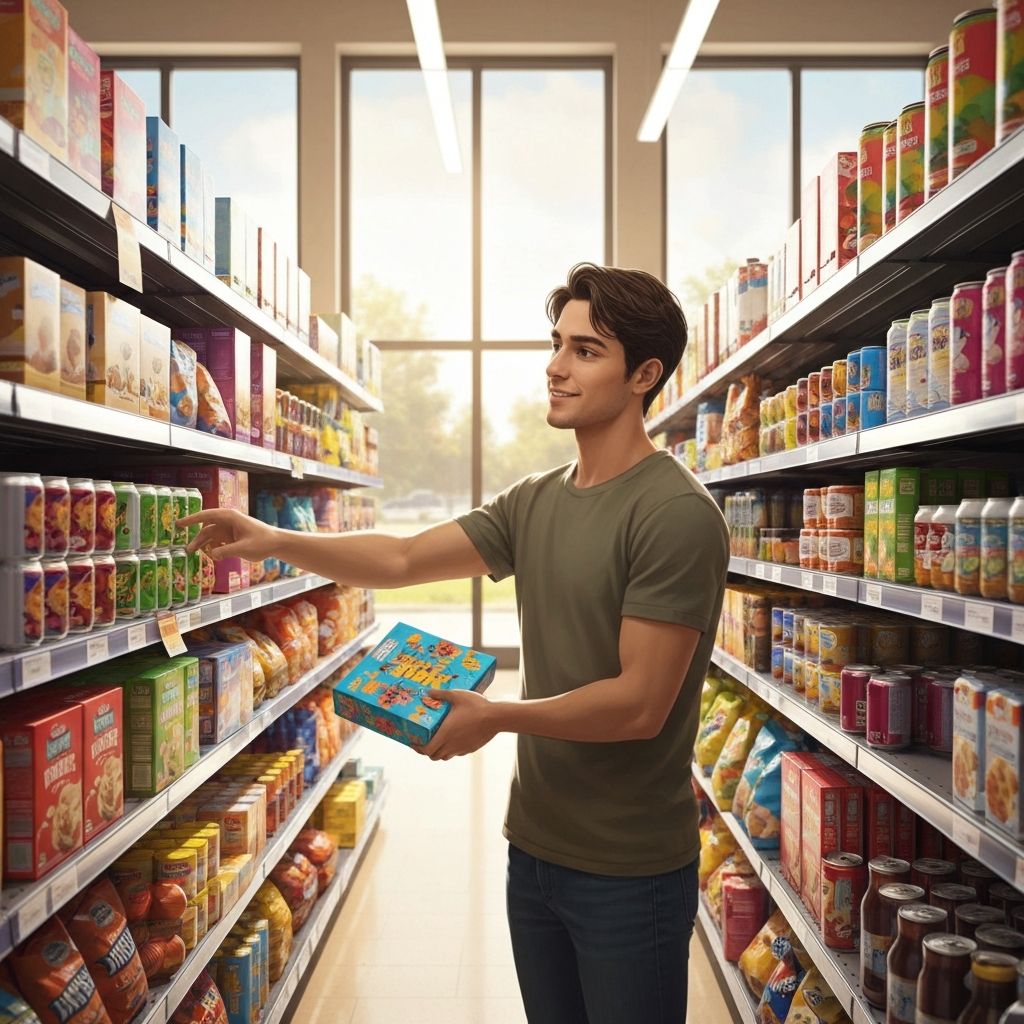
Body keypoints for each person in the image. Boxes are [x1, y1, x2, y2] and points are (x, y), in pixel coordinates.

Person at [181, 262, 730, 1024]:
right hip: (535, 846)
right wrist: (272, 540)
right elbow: (403, 559)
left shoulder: (675, 513)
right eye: (557, 344)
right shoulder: (536, 501)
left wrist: (498, 715)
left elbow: (639, 705)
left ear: (645, 374)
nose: (555, 366)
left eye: (585, 351)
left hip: (629, 868)